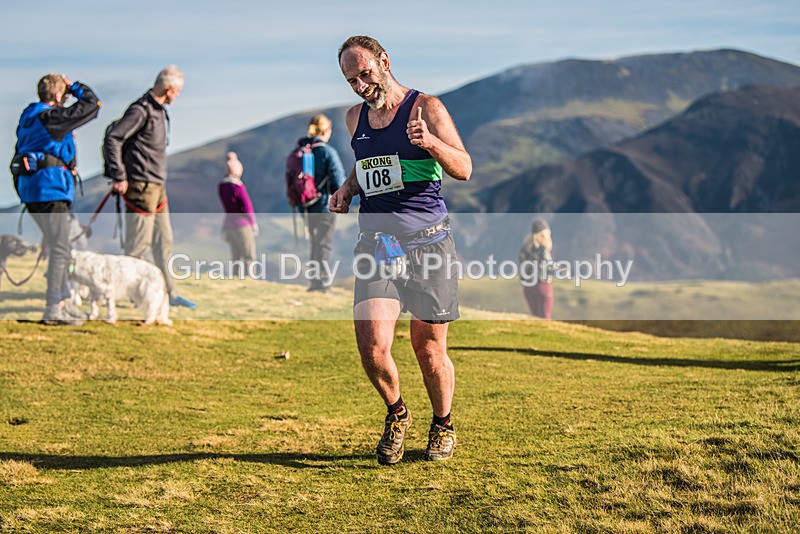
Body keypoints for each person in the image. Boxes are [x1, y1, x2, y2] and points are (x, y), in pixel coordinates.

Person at [330, 36, 472, 464]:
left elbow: (464, 167)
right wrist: (346, 189)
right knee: (373, 348)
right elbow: (366, 163)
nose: (360, 85)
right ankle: (397, 413)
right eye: (351, 79)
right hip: (376, 244)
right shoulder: (355, 117)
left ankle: (443, 424)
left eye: (365, 73)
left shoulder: (426, 108)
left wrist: (429, 142)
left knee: (428, 350)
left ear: (384, 61)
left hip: (428, 244)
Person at [104, 65, 196, 309]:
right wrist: (119, 176)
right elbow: (114, 137)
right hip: (140, 187)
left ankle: (168, 293)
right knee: (137, 247)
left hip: (157, 186)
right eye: (177, 92)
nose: (177, 96)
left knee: (164, 242)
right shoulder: (140, 111)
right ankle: (130, 296)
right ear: (169, 89)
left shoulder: (158, 111)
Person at [13, 74, 101, 325]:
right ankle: (54, 307)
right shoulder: (51, 118)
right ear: (58, 96)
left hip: (31, 189)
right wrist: (76, 88)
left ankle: (62, 300)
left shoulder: (28, 117)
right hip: (49, 188)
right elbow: (92, 105)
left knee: (57, 244)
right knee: (61, 247)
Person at [295, 114, 346, 292]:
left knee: (315, 244)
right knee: (323, 244)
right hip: (324, 205)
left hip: (306, 206)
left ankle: (314, 282)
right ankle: (322, 284)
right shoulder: (327, 152)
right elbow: (339, 181)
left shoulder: (302, 151)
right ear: (325, 130)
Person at [217, 151, 257, 277]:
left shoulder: (222, 187)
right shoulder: (238, 188)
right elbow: (247, 207)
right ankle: (250, 279)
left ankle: (235, 278)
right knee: (248, 255)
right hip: (242, 225)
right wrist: (253, 223)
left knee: (236, 256)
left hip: (228, 225)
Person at [519, 219, 554, 319]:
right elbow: (549, 266)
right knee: (545, 318)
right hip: (542, 285)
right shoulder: (543, 250)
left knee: (536, 318)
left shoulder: (525, 249)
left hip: (528, 288)